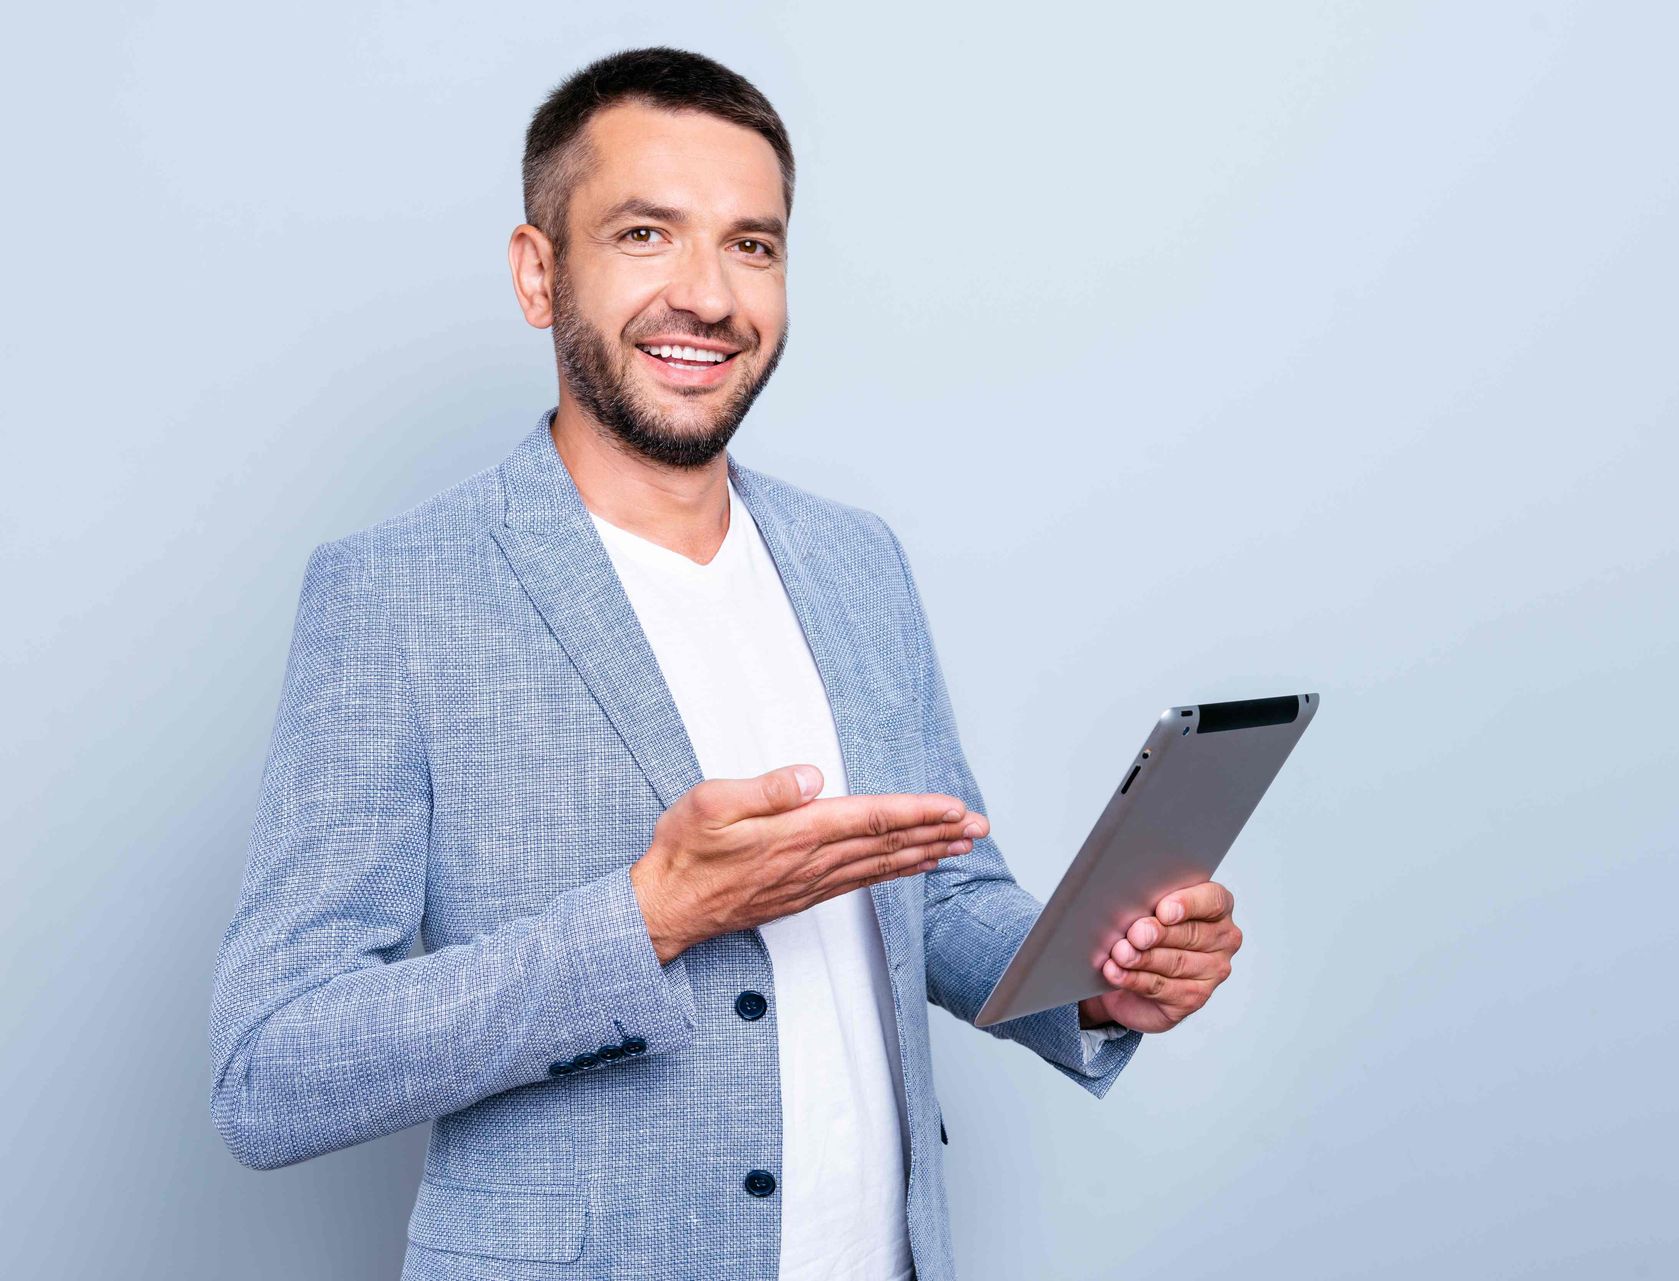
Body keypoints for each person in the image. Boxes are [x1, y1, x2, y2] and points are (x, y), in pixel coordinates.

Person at [207, 46, 1244, 1281]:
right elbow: (270, 1068)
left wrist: (1095, 979)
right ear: (540, 275)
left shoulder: (858, 564)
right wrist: (648, 920)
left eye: (752, 245)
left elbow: (938, 898)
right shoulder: (395, 596)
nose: (708, 295)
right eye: (647, 234)